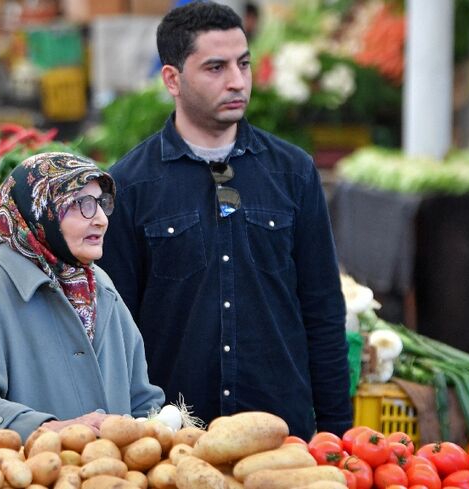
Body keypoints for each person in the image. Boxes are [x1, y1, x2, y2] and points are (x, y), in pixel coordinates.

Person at [96, 1, 351, 438]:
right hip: (174, 439)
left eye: (244, 63)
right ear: (172, 79)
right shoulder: (130, 186)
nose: (237, 81)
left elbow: (323, 309)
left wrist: (337, 432)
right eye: (215, 67)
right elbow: (112, 334)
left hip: (282, 436)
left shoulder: (293, 172)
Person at [0, 152, 164, 444]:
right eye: (83, 205)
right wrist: (48, 430)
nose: (102, 220)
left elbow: (141, 397)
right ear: (40, 210)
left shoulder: (100, 286)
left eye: (102, 203)